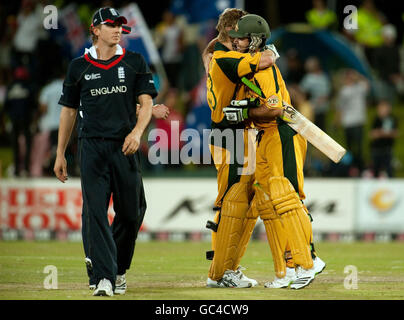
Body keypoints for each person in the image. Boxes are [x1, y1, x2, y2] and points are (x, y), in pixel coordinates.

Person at [54, 7, 157, 297]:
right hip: (92, 148)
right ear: (95, 30)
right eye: (111, 25)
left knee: (131, 212)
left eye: (120, 25)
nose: (117, 29)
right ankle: (103, 277)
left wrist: (137, 133)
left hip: (125, 148)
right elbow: (69, 112)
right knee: (96, 212)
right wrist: (60, 153)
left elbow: (147, 103)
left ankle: (117, 268)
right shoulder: (78, 67)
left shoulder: (135, 61)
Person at [226, 14, 325, 289]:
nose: (236, 43)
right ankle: (288, 270)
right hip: (265, 135)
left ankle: (310, 260)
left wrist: (243, 111)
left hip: (283, 132)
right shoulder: (250, 65)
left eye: (241, 38)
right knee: (269, 202)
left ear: (255, 40)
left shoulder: (262, 69)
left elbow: (275, 108)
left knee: (289, 199)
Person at [202, 8, 277, 288]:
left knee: (244, 204)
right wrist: (266, 46)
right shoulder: (227, 58)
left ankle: (227, 267)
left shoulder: (214, 54)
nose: (246, 36)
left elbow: (206, 53)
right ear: (234, 31)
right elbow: (266, 60)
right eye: (243, 30)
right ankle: (220, 272)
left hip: (234, 135)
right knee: (232, 204)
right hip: (228, 136)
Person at [335, 69, 369, 176]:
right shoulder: (344, 90)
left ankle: (360, 169)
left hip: (358, 121)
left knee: (358, 147)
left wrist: (358, 75)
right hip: (348, 122)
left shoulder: (359, 87)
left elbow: (368, 84)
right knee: (349, 147)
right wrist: (337, 121)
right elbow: (340, 108)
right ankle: (351, 169)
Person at [4, 66, 36, 177]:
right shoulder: (29, 87)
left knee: (15, 145)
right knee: (27, 144)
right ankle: (25, 169)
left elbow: (6, 106)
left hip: (14, 120)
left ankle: (17, 169)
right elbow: (33, 105)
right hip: (25, 120)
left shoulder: (10, 87)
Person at [299, 56, 331, 131]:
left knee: (319, 130)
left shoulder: (320, 77)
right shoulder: (312, 77)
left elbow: (328, 92)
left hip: (319, 109)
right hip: (313, 109)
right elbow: (302, 93)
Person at [370, 100, 399, 178]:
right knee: (376, 170)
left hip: (387, 149)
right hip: (376, 149)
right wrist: (385, 133)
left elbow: (396, 133)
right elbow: (373, 134)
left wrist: (381, 133)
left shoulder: (392, 119)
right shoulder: (376, 119)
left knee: (389, 170)